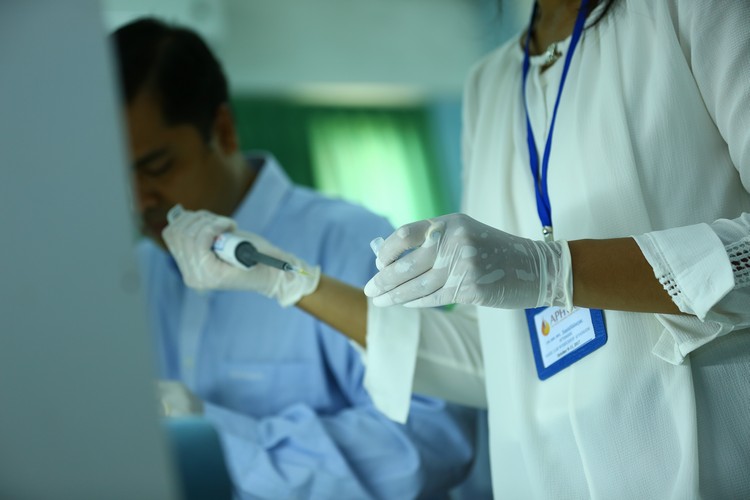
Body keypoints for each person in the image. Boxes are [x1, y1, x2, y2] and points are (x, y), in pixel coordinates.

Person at [159, 0, 750, 498]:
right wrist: (288, 281)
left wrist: (553, 269)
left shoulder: (692, 13)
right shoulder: (489, 86)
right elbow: (488, 357)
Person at [112, 18, 479, 499]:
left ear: (222, 130)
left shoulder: (349, 240)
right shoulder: (135, 275)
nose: (139, 201)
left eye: (157, 167)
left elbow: (432, 440)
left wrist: (216, 445)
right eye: (117, 175)